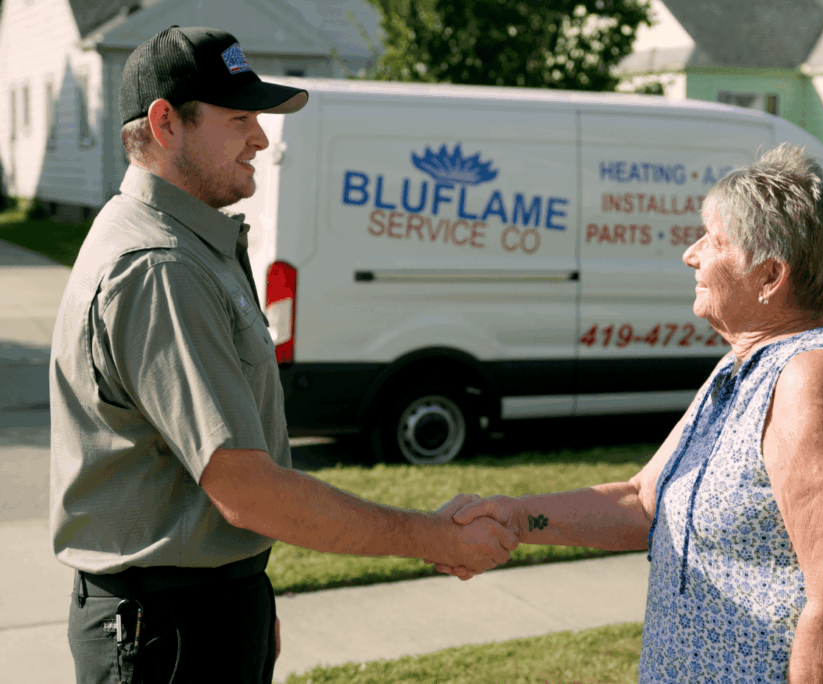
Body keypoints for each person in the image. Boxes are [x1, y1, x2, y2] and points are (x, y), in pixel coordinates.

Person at [49, 26, 515, 684]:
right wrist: (432, 536)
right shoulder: (159, 267)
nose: (261, 140)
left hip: (192, 611)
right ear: (165, 124)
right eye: (240, 118)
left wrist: (243, 594)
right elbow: (245, 488)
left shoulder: (184, 243)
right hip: (169, 629)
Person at [442, 144, 823, 683]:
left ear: (769, 276)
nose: (690, 255)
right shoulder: (743, 366)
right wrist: (516, 516)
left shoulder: (814, 380)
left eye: (713, 241)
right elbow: (643, 503)